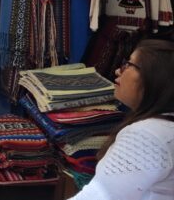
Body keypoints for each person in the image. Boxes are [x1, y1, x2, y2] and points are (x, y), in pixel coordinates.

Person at [71, 39, 174, 200]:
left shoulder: (146, 136)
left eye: (129, 65)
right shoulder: (164, 127)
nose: (118, 71)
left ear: (153, 77)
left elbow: (101, 196)